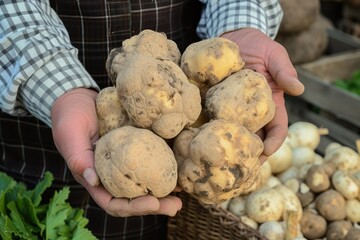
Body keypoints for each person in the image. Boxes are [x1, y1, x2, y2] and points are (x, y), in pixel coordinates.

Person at [0, 0, 304, 239]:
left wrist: (240, 28)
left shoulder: (197, 102)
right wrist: (62, 91)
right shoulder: (121, 101)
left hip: (185, 101)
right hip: (44, 136)